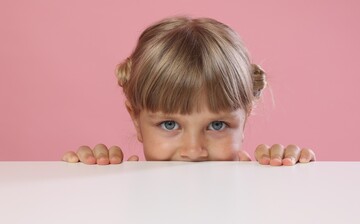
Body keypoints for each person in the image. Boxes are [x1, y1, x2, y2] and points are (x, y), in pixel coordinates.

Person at [62, 16, 316, 166]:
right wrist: (93, 182)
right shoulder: (122, 190)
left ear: (245, 118)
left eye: (217, 125)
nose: (194, 151)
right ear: (136, 121)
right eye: (170, 124)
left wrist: (285, 179)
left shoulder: (257, 190)